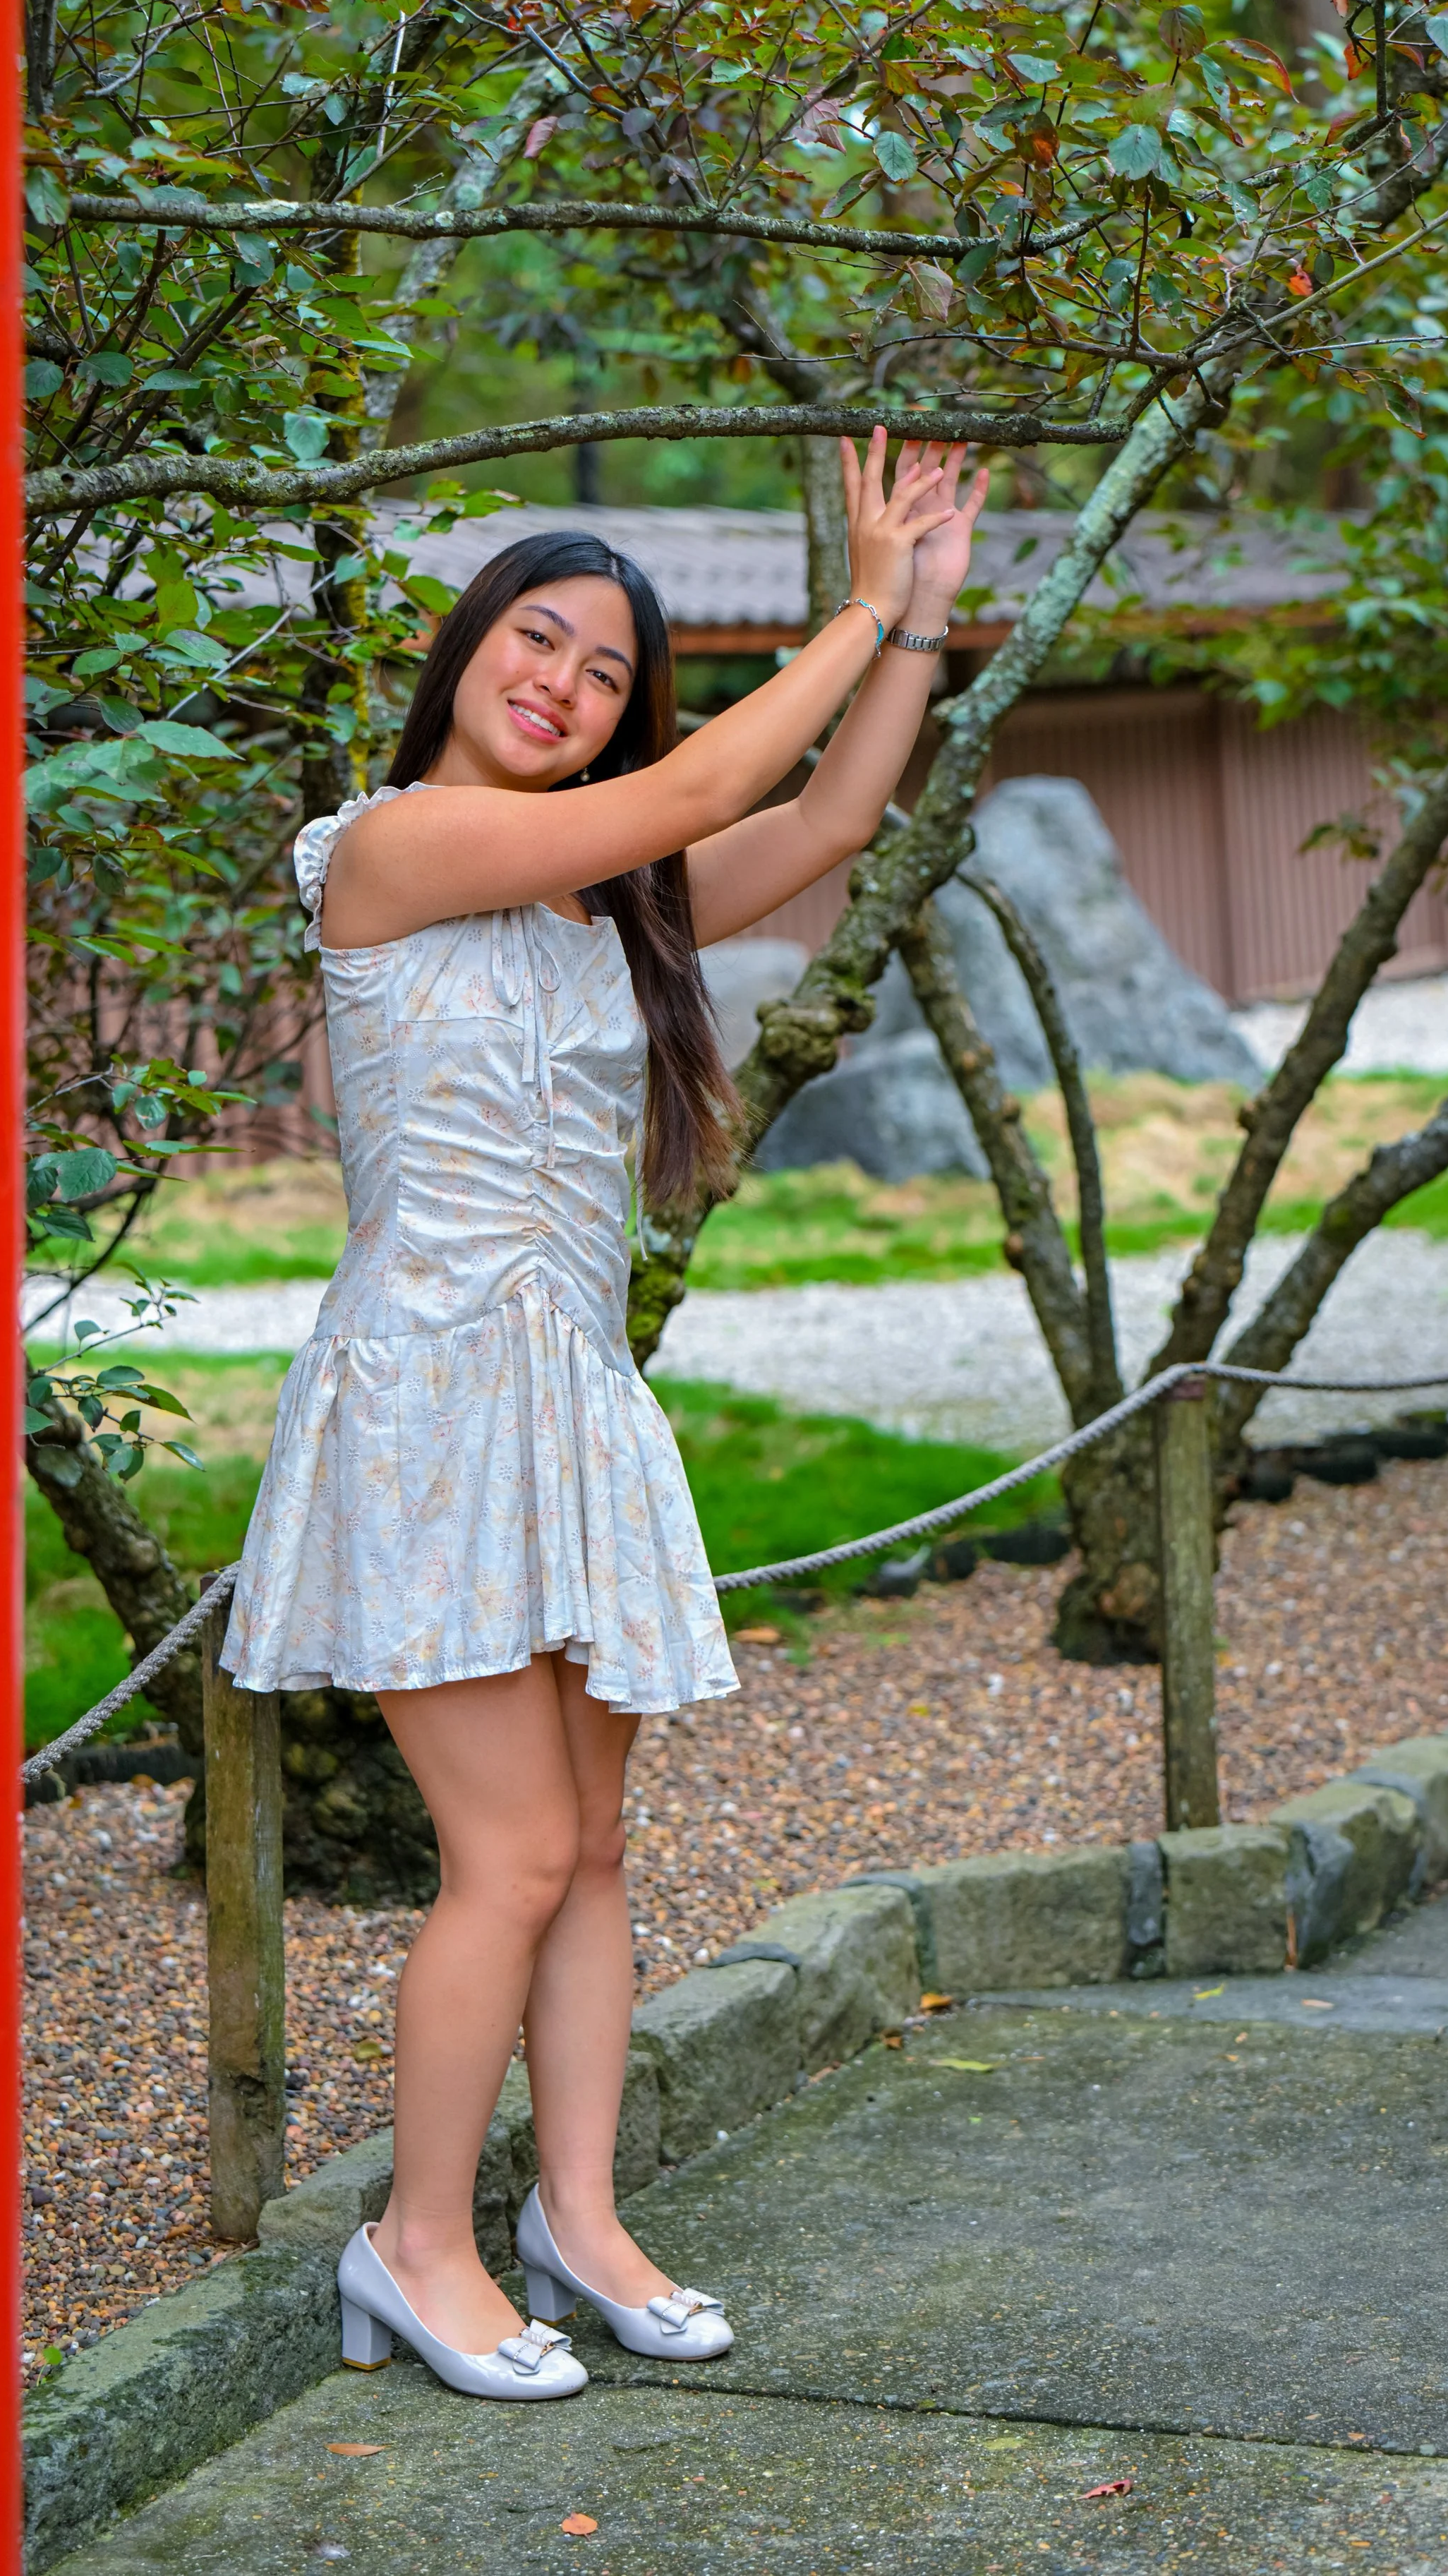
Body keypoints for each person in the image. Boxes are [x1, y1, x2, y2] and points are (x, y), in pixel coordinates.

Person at [221, 429, 990, 2400]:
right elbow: (722, 774)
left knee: (595, 1847)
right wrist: (851, 597)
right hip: (427, 1401)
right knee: (507, 1853)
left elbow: (812, 824)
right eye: (534, 641)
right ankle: (414, 2241)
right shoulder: (386, 846)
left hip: (568, 1401)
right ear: (464, 647)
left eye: (598, 677)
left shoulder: (600, 914)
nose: (556, 684)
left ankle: (577, 2212)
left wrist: (909, 614)